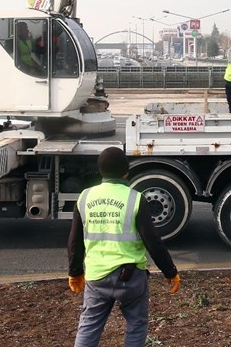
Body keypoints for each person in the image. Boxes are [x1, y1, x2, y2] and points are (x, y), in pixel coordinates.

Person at [67, 147, 181, 347]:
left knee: (89, 326)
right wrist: (170, 271)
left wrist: (75, 272)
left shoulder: (85, 197)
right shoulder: (135, 199)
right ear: (126, 171)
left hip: (97, 277)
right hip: (130, 278)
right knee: (136, 325)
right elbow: (152, 241)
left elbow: (74, 241)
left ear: (100, 170)